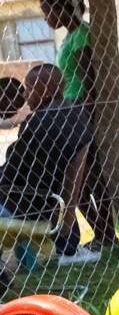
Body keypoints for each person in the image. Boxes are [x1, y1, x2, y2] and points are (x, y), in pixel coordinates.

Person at [39, 0, 117, 250]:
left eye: (47, 11)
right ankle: (101, 233)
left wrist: (84, 122)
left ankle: (105, 234)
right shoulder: (71, 36)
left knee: (90, 180)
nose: (46, 18)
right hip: (70, 112)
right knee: (76, 183)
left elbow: (88, 83)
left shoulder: (81, 36)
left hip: (79, 114)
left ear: (61, 9)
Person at [0, 63, 95, 263]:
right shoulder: (75, 115)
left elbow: (11, 170)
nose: (25, 96)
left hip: (20, 205)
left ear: (46, 91)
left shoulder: (37, 123)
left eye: (29, 89)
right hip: (47, 204)